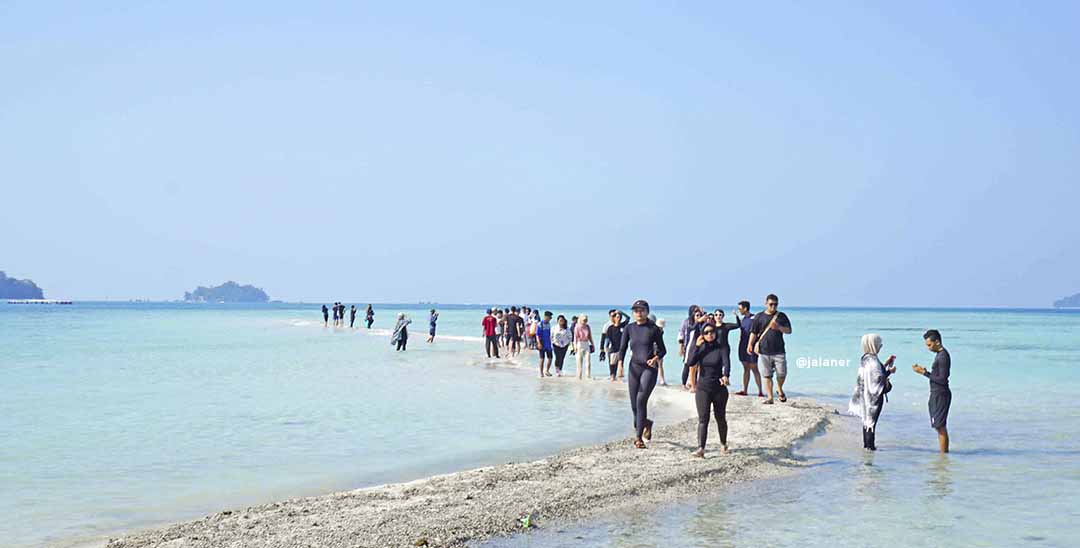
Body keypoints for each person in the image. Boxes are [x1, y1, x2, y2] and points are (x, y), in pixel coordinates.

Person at [617, 300, 667, 449]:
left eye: (642, 310)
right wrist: (620, 364)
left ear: (647, 311)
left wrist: (656, 358)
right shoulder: (629, 328)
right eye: (636, 310)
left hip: (649, 369)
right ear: (633, 313)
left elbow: (663, 350)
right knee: (634, 406)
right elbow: (623, 348)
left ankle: (638, 438)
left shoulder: (654, 329)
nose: (639, 312)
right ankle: (647, 424)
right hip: (633, 368)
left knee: (640, 400)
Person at [687, 323, 731, 456]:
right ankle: (701, 448)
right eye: (706, 332)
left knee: (720, 417)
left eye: (711, 331)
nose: (709, 334)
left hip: (719, 388)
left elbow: (726, 363)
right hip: (703, 389)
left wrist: (725, 375)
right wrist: (696, 346)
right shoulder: (701, 348)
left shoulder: (721, 347)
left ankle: (723, 444)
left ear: (715, 333)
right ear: (702, 334)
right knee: (703, 419)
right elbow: (690, 362)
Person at [849, 333, 896, 451]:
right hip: (873, 397)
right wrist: (890, 372)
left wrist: (885, 365)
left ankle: (867, 447)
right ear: (873, 345)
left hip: (864, 396)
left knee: (866, 422)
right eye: (879, 344)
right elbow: (878, 378)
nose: (880, 346)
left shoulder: (865, 358)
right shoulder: (874, 361)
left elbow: (871, 375)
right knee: (871, 423)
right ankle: (870, 448)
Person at [747, 294, 792, 404]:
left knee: (782, 374)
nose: (773, 307)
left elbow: (789, 330)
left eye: (775, 304)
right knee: (767, 375)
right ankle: (770, 397)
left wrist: (779, 327)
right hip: (763, 350)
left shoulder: (781, 316)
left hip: (779, 350)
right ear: (766, 304)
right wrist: (750, 344)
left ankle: (780, 389)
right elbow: (754, 332)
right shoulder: (759, 316)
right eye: (771, 304)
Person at [912, 329, 951, 453]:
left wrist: (924, 373)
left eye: (929, 345)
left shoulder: (943, 356)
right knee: (938, 426)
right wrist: (926, 372)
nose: (928, 348)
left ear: (937, 342)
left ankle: (943, 457)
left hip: (941, 394)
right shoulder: (939, 356)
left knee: (940, 427)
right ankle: (943, 456)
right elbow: (938, 376)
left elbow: (943, 379)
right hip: (936, 393)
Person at [689, 310, 740, 393]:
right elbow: (695, 329)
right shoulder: (711, 328)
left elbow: (738, 325)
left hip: (724, 348)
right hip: (712, 348)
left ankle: (724, 378)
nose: (718, 316)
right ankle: (699, 383)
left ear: (723, 316)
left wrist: (736, 316)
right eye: (716, 314)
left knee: (723, 364)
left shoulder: (726, 326)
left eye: (720, 315)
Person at [734, 300, 764, 397]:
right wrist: (737, 317)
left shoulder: (754, 318)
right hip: (742, 346)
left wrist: (757, 345)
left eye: (740, 309)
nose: (739, 310)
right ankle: (745, 390)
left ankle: (760, 391)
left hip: (751, 347)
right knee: (745, 368)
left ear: (745, 308)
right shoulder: (743, 319)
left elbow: (759, 332)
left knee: (754, 368)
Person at [682, 307, 709, 390]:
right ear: (693, 316)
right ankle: (684, 384)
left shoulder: (702, 325)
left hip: (700, 346)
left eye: (700, 315)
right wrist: (699, 320)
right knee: (689, 365)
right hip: (692, 347)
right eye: (697, 315)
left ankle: (695, 384)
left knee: (698, 367)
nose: (699, 317)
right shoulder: (691, 324)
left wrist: (704, 315)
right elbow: (692, 328)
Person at [600, 309, 630, 381]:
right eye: (616, 316)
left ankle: (617, 376)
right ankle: (612, 375)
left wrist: (620, 312)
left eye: (619, 317)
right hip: (612, 348)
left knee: (619, 362)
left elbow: (628, 318)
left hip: (621, 348)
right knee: (612, 363)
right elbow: (606, 338)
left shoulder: (623, 325)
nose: (617, 318)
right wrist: (604, 348)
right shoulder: (609, 327)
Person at [574, 315, 594, 380]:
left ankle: (588, 376)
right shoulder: (577, 327)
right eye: (584, 320)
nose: (585, 321)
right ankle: (579, 377)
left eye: (586, 320)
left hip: (586, 344)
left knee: (588, 361)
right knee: (579, 362)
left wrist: (593, 344)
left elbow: (590, 336)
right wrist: (575, 347)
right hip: (579, 344)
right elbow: (575, 338)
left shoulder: (587, 327)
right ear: (580, 320)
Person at [536, 311, 554, 377]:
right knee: (542, 358)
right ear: (546, 316)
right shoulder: (540, 324)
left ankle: (547, 370)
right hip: (542, 343)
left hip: (548, 343)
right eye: (550, 317)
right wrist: (539, 343)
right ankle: (541, 372)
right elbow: (537, 335)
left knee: (550, 358)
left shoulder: (549, 324)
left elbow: (550, 334)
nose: (550, 319)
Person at [655, 317, 668, 386]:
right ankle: (661, 379)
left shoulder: (660, 331)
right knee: (658, 365)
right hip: (655, 349)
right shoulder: (658, 331)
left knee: (660, 365)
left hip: (658, 350)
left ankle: (661, 379)